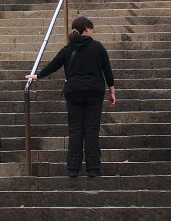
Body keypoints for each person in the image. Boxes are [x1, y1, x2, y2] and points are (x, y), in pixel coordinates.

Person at [26, 16, 116, 177]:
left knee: (75, 130)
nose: (93, 31)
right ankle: (93, 168)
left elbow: (54, 64)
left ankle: (73, 168)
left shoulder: (69, 48)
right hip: (94, 92)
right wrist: (112, 91)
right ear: (87, 29)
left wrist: (38, 76)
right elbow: (107, 70)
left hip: (73, 92)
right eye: (92, 28)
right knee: (91, 129)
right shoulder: (98, 47)